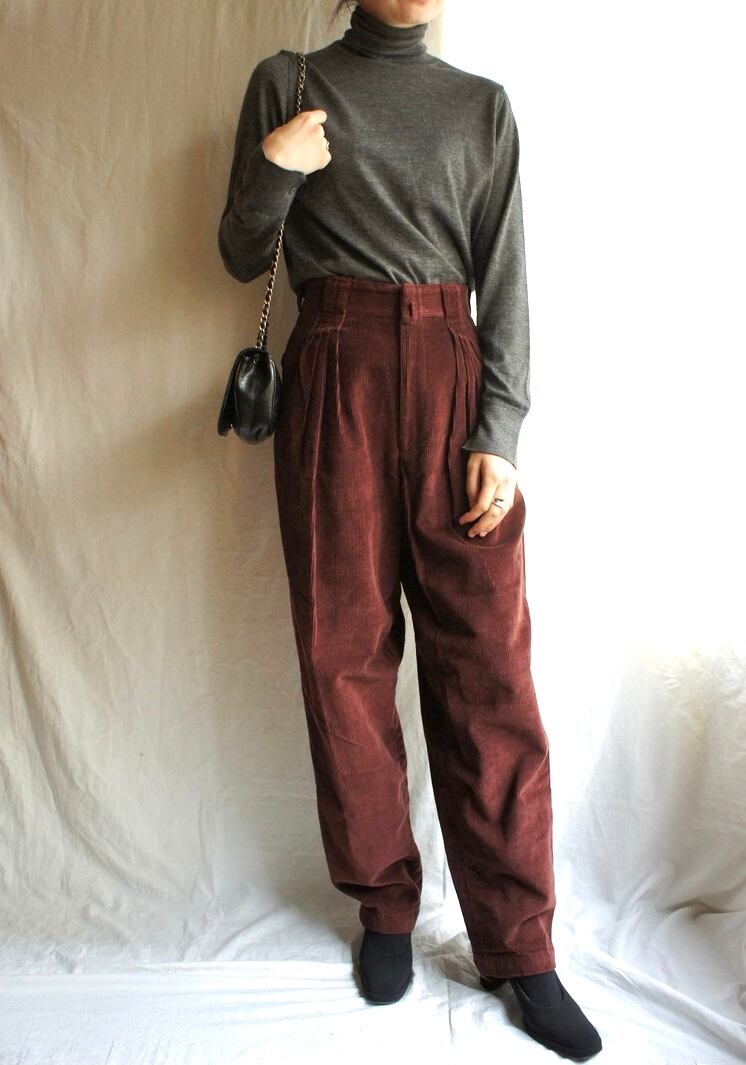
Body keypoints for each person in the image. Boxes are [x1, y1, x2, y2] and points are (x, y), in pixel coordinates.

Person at [217, 0, 602, 1057]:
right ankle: (384, 906)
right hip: (333, 363)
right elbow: (239, 249)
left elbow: (505, 275)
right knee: (342, 652)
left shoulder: (481, 107)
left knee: (488, 669)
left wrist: (500, 433)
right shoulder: (288, 80)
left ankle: (519, 946)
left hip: (450, 373)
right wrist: (277, 167)